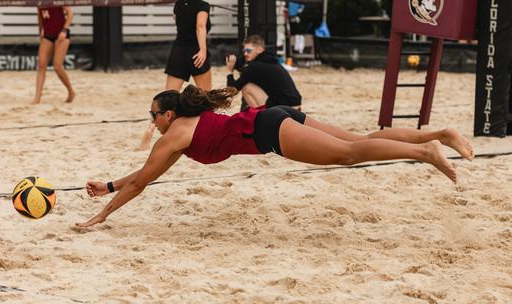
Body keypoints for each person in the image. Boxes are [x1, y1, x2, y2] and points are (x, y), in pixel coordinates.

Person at [76, 85, 474, 228]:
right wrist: (109, 185)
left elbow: (146, 180)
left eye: (152, 115)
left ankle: (426, 152)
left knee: (349, 155)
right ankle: (440, 134)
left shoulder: (172, 135)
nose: (152, 122)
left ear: (168, 114)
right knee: (361, 139)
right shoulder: (184, 129)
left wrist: (102, 214)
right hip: (271, 117)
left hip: (267, 130)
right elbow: (146, 172)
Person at [138, 0, 212, 150]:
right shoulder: (203, 5)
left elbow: (176, 19)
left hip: (178, 51)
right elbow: (200, 26)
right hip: (195, 52)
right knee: (206, 98)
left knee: (166, 99)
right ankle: (208, 136)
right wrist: (203, 50)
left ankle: (148, 134)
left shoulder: (178, 4)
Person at [225, 34, 302, 110]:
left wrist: (230, 71)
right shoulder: (269, 60)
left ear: (259, 49)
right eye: (244, 51)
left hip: (286, 108)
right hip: (295, 105)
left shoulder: (255, 66)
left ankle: (263, 119)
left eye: (248, 51)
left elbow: (232, 90)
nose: (245, 54)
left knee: (247, 88)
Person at [33, 6, 75, 104]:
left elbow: (70, 13)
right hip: (48, 35)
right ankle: (37, 98)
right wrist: (41, 32)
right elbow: (40, 17)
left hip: (61, 33)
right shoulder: (39, 3)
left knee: (57, 66)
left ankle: (71, 91)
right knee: (41, 66)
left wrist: (65, 30)